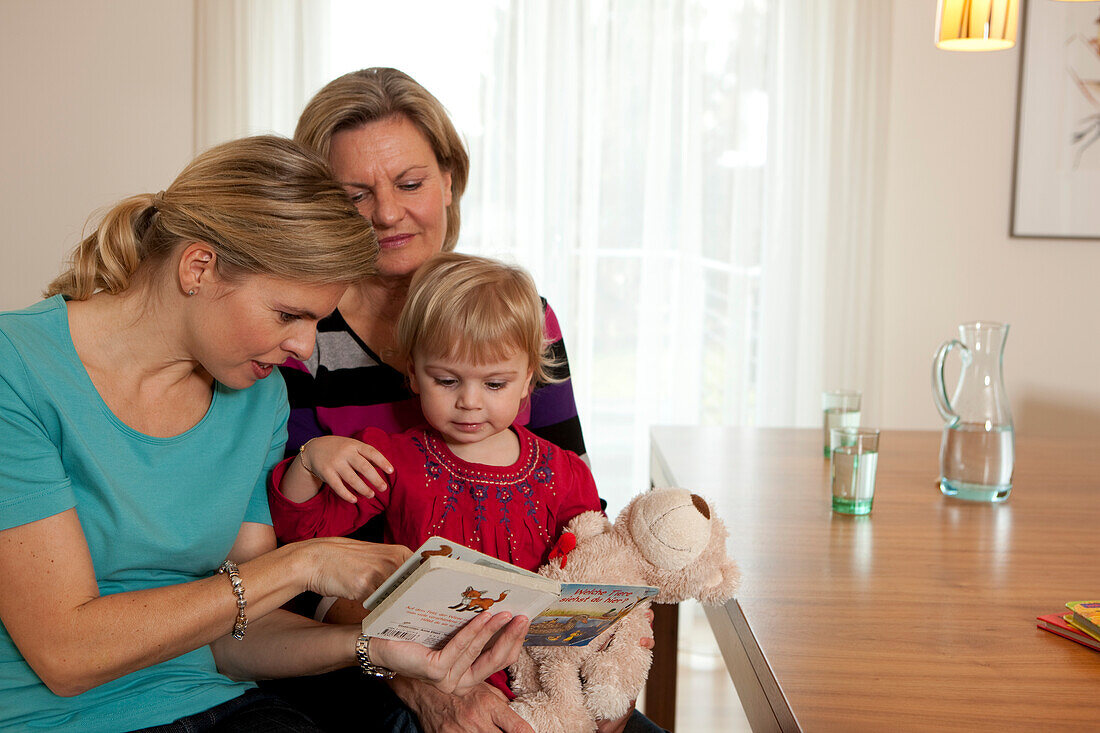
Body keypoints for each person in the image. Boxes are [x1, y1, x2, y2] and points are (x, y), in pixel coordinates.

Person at [0, 136, 529, 732]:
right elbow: (66, 654)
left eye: (316, 321)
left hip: (217, 704)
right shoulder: (15, 369)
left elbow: (237, 633)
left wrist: (377, 649)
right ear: (198, 267)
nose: (304, 348)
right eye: (288, 315)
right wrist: (302, 564)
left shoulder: (257, 396)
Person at [267, 67, 662, 733]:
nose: (388, 213)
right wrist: (417, 674)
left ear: (450, 180)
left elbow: (579, 516)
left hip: (529, 653)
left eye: (411, 183)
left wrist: (606, 641)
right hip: (358, 658)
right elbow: (288, 563)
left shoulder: (520, 321)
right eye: (355, 193)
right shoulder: (299, 334)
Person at [267, 252, 604, 701]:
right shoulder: (393, 458)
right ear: (413, 375)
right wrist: (310, 461)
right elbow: (301, 530)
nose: (469, 401)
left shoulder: (565, 472)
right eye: (447, 381)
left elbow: (595, 565)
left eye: (495, 384)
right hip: (421, 672)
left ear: (528, 380)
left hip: (540, 679)